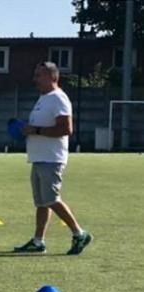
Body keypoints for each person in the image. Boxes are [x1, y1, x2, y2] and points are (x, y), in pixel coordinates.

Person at [15, 62, 93, 256]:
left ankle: (79, 233)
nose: (35, 79)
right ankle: (38, 241)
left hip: (52, 158)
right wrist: (27, 129)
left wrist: (36, 130)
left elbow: (66, 129)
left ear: (53, 77)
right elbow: (40, 126)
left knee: (52, 199)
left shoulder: (58, 98)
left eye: (39, 75)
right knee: (42, 202)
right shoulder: (43, 98)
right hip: (39, 157)